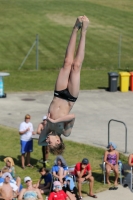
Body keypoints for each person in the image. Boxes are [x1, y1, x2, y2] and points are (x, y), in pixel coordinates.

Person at [38, 15, 89, 155]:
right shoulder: (65, 132)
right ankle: (84, 30)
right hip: (70, 98)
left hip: (58, 93)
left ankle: (75, 27)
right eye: (50, 143)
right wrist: (56, 120)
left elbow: (39, 141)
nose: (47, 141)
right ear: (58, 141)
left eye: (47, 143)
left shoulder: (48, 128)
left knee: (67, 62)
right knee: (76, 66)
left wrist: (50, 124)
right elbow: (72, 116)